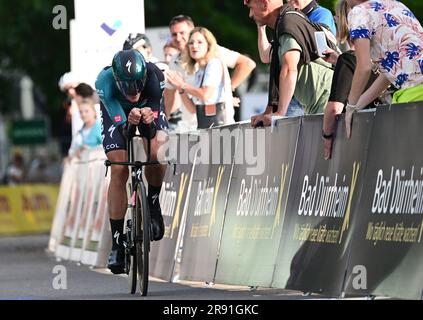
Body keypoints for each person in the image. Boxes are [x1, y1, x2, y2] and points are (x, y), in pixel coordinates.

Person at [95, 49, 168, 274]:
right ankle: (117, 244)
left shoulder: (156, 77)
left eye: (137, 84)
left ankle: (153, 203)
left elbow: (152, 129)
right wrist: (130, 120)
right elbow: (124, 130)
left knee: (158, 150)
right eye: (127, 85)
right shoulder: (104, 82)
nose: (133, 91)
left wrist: (147, 118)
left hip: (148, 111)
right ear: (117, 80)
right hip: (117, 114)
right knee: (119, 168)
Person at [244, 0, 337, 127]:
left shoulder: (288, 22)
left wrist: (280, 114)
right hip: (321, 102)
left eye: (251, 8)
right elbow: (272, 63)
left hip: (327, 101)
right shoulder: (285, 21)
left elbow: (289, 68)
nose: (249, 14)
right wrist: (269, 111)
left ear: (265, 4)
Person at [345, 0, 423, 138]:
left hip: (415, 93)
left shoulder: (359, 12)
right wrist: (357, 105)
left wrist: (350, 106)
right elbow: (390, 72)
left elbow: (364, 67)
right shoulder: (396, 5)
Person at [164, 15, 256, 131]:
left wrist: (227, 90)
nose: (178, 38)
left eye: (182, 33)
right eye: (174, 34)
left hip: (219, 124)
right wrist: (162, 122)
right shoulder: (182, 62)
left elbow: (247, 64)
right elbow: (177, 99)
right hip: (194, 124)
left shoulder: (213, 58)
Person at [321, 0, 384, 160]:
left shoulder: (348, 60)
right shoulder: (384, 54)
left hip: (363, 138)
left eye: (336, 19)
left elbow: (334, 108)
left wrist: (326, 136)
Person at [166, 27, 234, 129]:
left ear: (208, 45)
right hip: (208, 127)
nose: (194, 46)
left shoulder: (214, 63)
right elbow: (193, 109)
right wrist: (180, 89)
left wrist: (182, 84)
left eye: (199, 42)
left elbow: (205, 94)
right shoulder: (198, 71)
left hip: (223, 127)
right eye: (191, 43)